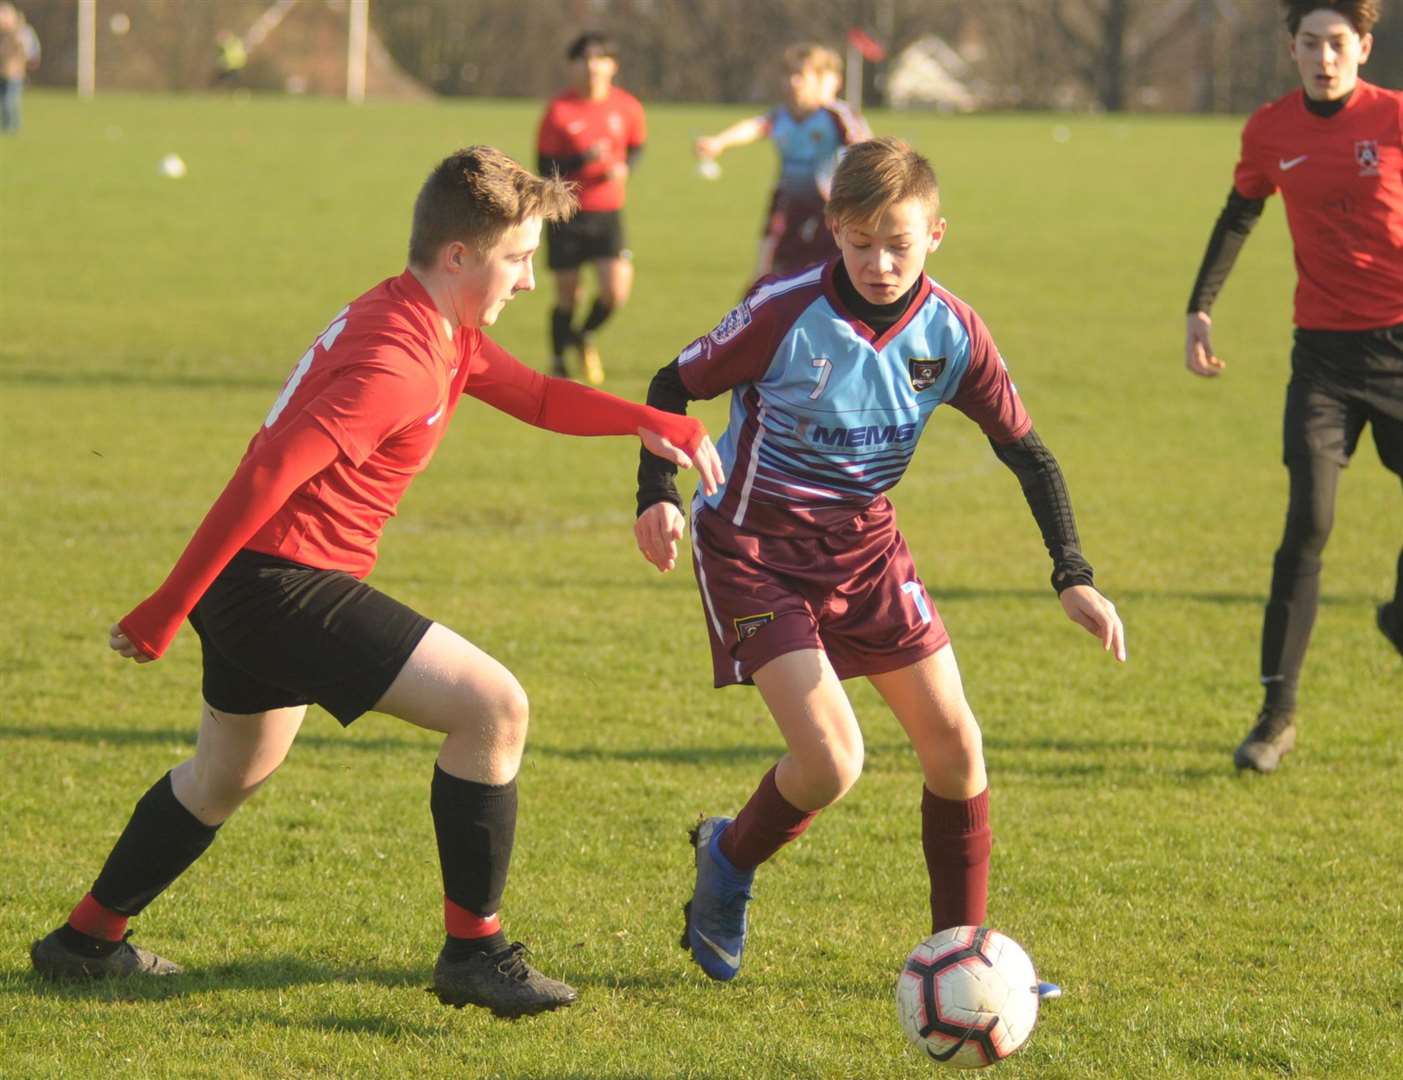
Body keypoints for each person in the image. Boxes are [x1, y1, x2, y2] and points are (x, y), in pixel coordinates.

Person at [28, 146, 724, 1019]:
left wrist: (651, 421)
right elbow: (267, 476)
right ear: (459, 256)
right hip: (279, 582)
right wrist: (167, 605)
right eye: (517, 258)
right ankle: (475, 951)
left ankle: (84, 942)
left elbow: (542, 398)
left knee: (225, 775)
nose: (528, 278)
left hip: (262, 582)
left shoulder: (438, 328)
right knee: (493, 709)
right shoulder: (395, 361)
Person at [633, 137, 1125, 984]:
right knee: (831, 763)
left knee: (955, 749)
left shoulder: (952, 332)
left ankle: (960, 959)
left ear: (937, 232)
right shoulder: (784, 310)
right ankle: (728, 857)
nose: (878, 260)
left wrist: (1071, 573)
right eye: (860, 243)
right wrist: (656, 494)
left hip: (864, 549)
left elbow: (1027, 453)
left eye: (898, 242)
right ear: (833, 230)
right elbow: (669, 385)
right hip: (755, 550)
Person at [1183, 0, 1403, 775]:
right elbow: (1239, 213)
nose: (1323, 57)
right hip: (1322, 361)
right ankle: (1275, 717)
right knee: (1305, 524)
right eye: (1309, 44)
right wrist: (1199, 308)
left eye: (1337, 43)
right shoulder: (1269, 130)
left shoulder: (1395, 120)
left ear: (1363, 48)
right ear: (1290, 50)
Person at [694, 43, 871, 288]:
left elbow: (866, 146)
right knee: (765, 274)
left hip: (828, 208)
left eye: (801, 75)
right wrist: (719, 142)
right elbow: (754, 127)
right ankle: (755, 321)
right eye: (789, 75)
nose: (793, 82)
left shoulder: (834, 115)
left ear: (820, 80)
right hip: (786, 204)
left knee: (831, 275)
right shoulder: (781, 115)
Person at [536, 32, 646, 386]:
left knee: (616, 291)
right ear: (572, 65)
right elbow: (544, 166)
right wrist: (584, 160)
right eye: (584, 58)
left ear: (613, 66)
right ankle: (557, 361)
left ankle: (582, 335)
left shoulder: (627, 107)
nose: (592, 66)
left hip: (608, 213)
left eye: (600, 58)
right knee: (568, 294)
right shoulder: (559, 111)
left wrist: (626, 167)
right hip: (567, 213)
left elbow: (636, 147)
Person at [0, 3, 39, 135]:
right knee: (5, 100)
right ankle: (8, 126)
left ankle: (13, 127)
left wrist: (31, 59)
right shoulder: (3, 35)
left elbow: (28, 49)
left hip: (14, 73)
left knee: (10, 100)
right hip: (3, 72)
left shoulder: (20, 33)